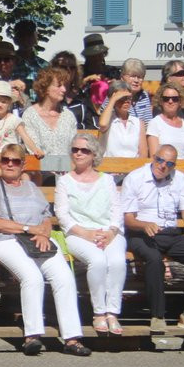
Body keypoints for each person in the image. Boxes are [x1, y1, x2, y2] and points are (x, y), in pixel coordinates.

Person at [0, 144, 91, 356]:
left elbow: (45, 216)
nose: (10, 164)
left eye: (15, 161)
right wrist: (28, 228)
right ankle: (32, 336)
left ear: (23, 164)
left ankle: (72, 338)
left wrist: (43, 233)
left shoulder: (32, 187)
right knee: (32, 277)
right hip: (5, 239)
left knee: (64, 277)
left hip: (35, 239)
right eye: (5, 160)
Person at [121, 144, 184, 333]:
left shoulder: (179, 178)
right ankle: (157, 316)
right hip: (141, 233)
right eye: (159, 160)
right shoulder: (135, 178)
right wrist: (144, 225)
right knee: (154, 259)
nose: (163, 166)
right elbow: (128, 219)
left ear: (174, 166)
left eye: (169, 163)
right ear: (153, 158)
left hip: (170, 233)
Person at [55, 134, 126, 335]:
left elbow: (116, 209)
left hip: (109, 232)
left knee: (118, 261)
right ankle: (99, 312)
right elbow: (63, 215)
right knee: (98, 261)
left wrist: (111, 232)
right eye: (75, 149)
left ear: (93, 154)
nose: (78, 153)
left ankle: (113, 311)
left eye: (84, 150)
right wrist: (85, 233)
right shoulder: (65, 181)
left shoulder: (108, 180)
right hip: (78, 233)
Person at [0, 80, 44, 165]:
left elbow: (25, 137)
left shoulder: (14, 119)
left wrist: (35, 150)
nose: (0, 105)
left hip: (14, 157)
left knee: (25, 176)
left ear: (9, 103)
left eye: (4, 102)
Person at [18, 70, 71, 168]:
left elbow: (73, 147)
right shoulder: (30, 115)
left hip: (67, 170)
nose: (64, 89)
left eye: (65, 85)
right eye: (59, 85)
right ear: (46, 88)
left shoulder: (68, 115)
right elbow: (34, 150)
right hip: (40, 170)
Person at [98, 80, 147, 159]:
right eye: (122, 98)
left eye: (129, 98)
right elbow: (103, 124)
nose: (126, 101)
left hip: (132, 168)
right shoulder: (108, 120)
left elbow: (143, 154)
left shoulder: (138, 123)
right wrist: (113, 100)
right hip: (109, 168)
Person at [147, 82, 184, 160]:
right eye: (166, 99)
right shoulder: (155, 123)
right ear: (161, 101)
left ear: (180, 101)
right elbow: (154, 157)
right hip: (163, 168)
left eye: (175, 99)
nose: (170, 101)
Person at [0, 42, 28, 110]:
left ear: (14, 62)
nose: (2, 63)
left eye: (7, 59)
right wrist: (10, 85)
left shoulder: (19, 85)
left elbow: (28, 110)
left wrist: (21, 102)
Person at [13, 20, 48, 88]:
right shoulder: (6, 63)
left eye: (29, 35)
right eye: (22, 35)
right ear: (15, 39)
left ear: (36, 38)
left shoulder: (44, 66)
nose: (26, 39)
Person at [120, 58, 152, 123]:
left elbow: (148, 123)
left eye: (140, 77)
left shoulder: (144, 95)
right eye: (132, 76)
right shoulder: (114, 94)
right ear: (122, 77)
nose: (136, 80)